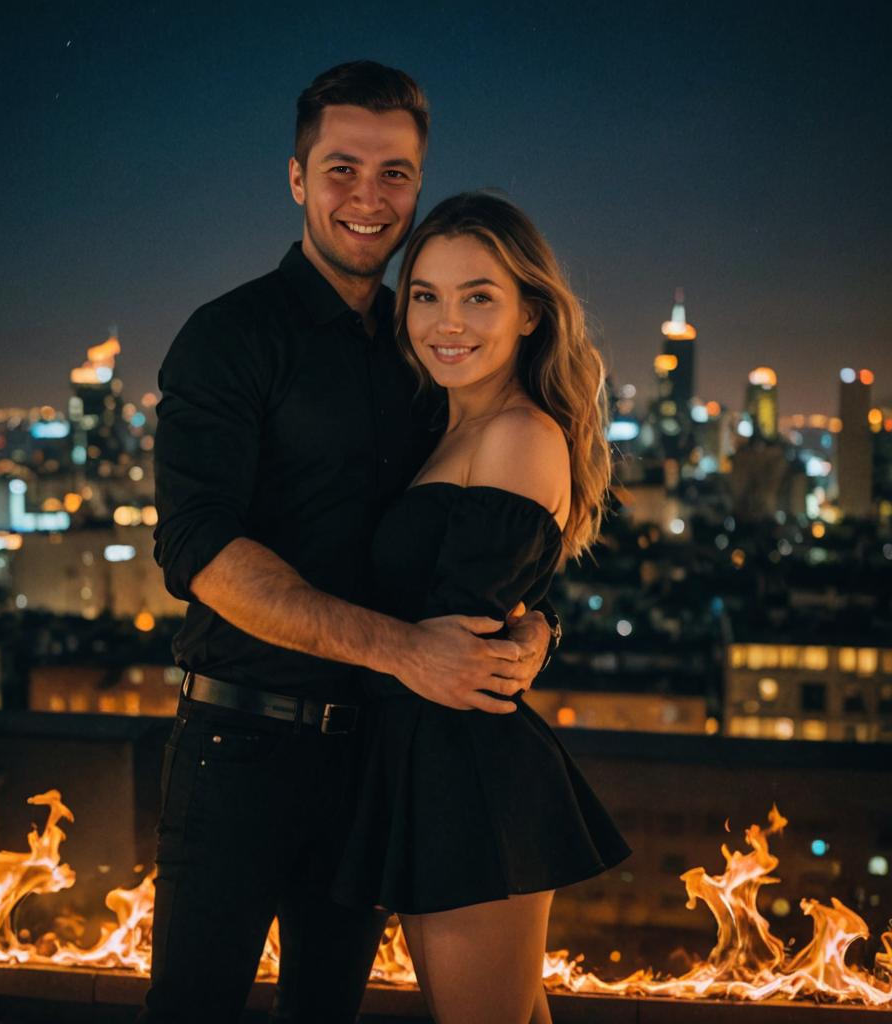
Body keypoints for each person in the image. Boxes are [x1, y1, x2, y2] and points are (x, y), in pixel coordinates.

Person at [143, 64, 555, 1024]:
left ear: (420, 181)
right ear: (296, 178)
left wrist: (532, 627)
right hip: (240, 745)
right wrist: (406, 650)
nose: (368, 198)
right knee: (190, 1011)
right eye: (341, 168)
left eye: (396, 173)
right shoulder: (230, 336)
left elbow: (468, 530)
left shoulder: (431, 349)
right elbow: (200, 550)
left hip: (377, 755)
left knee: (327, 1014)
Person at [331, 192, 632, 1024]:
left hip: (469, 775)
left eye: (479, 296)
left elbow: (467, 628)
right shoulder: (450, 427)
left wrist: (529, 632)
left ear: (531, 313)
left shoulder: (517, 434)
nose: (445, 321)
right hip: (431, 767)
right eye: (425, 294)